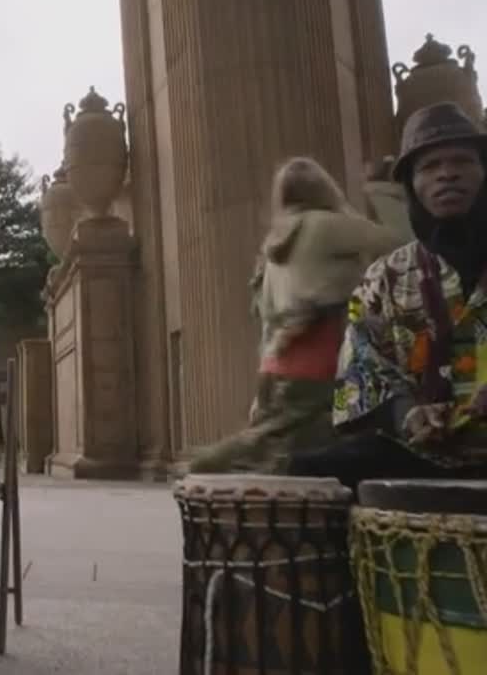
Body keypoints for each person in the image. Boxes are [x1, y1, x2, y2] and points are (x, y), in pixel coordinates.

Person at [288, 102, 487, 490]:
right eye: (429, 166)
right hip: (428, 453)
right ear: (411, 185)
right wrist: (407, 414)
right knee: (308, 472)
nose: (447, 173)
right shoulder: (385, 277)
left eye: (462, 161)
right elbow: (362, 363)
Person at [190, 157, 402, 474]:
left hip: (278, 364)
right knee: (331, 443)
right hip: (322, 357)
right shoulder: (324, 225)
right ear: (325, 188)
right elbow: (400, 241)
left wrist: (261, 388)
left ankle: (213, 463)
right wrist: (383, 190)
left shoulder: (274, 244)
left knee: (278, 442)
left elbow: (266, 318)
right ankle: (206, 463)